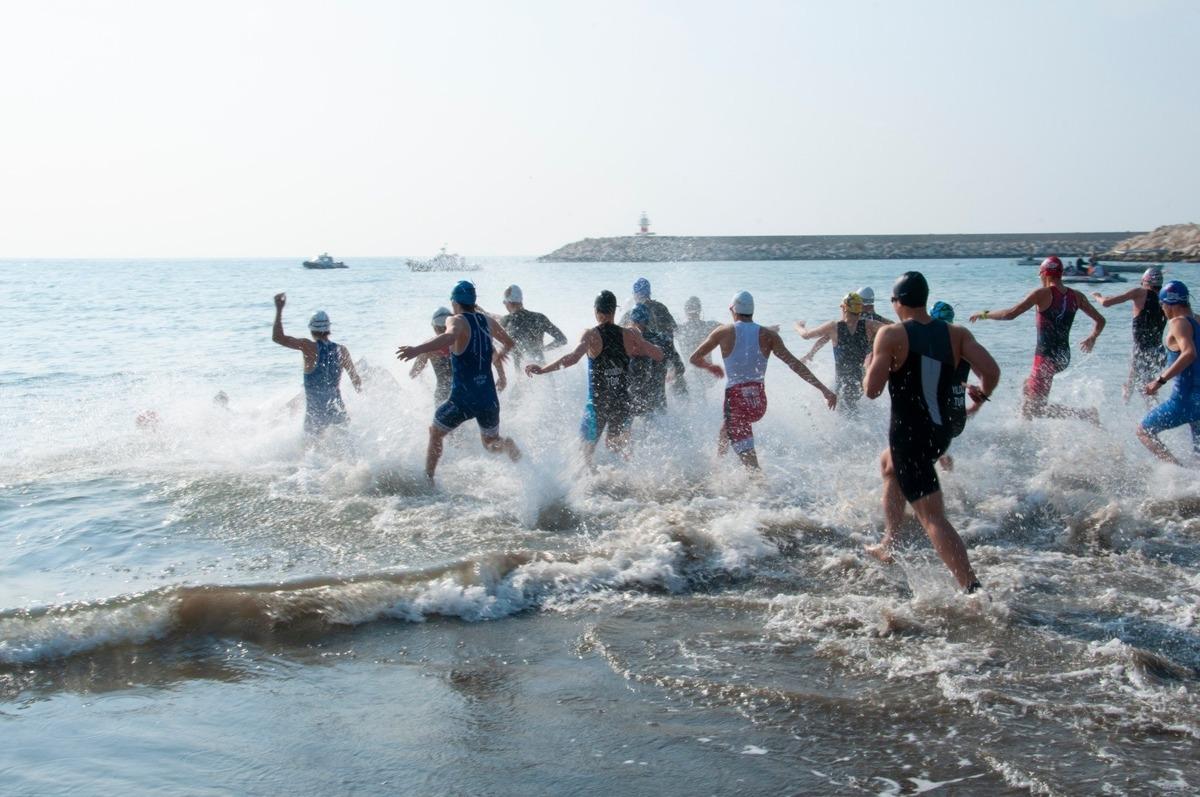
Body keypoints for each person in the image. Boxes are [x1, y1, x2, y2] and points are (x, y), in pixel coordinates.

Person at [863, 272, 1001, 593]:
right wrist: (982, 394)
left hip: (909, 436)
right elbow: (992, 371)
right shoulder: (957, 334)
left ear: (897, 302)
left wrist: (870, 364)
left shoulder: (891, 334)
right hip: (940, 433)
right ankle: (890, 541)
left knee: (933, 518)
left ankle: (972, 589)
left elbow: (871, 390)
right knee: (888, 465)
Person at [690, 291, 837, 469]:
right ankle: (718, 469)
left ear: (732, 310)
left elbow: (694, 358)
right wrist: (824, 389)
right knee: (725, 431)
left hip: (737, 400)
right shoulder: (769, 335)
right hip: (758, 401)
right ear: (752, 311)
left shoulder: (723, 332)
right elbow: (795, 365)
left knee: (751, 467)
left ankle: (762, 491)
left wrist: (710, 367)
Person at [395, 281, 520, 481]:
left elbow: (449, 337)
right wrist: (500, 356)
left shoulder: (457, 320)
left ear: (455, 301)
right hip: (489, 398)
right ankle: (511, 450)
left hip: (463, 399)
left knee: (435, 432)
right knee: (490, 443)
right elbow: (510, 342)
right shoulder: (487, 321)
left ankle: (428, 479)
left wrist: (416, 350)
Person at [525, 290, 662, 466]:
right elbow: (658, 355)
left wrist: (544, 369)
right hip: (621, 403)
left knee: (585, 452)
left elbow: (573, 358)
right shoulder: (630, 334)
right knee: (616, 449)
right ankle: (623, 485)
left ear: (596, 311)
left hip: (598, 404)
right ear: (614, 310)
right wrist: (640, 343)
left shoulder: (591, 334)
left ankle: (590, 488)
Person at [969, 255, 1105, 422]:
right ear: (1061, 273)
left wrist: (984, 314)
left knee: (1037, 409)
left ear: (1045, 274)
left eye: (1040, 275)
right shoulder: (1077, 296)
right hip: (1063, 357)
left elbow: (1010, 314)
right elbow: (1100, 320)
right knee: (1027, 387)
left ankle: (1086, 414)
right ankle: (1023, 429)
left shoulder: (1041, 294)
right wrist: (1092, 337)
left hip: (1046, 357)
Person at [272, 293, 363, 436]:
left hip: (316, 416)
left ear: (311, 329)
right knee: (346, 453)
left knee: (310, 455)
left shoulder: (307, 347)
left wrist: (279, 309)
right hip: (338, 411)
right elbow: (357, 382)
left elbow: (277, 338)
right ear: (328, 328)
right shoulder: (342, 350)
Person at [1137, 281, 1200, 464]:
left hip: (1184, 400)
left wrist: (1159, 380)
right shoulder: (1197, 320)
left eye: (1162, 304)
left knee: (1144, 431)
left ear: (1169, 303)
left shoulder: (1178, 322)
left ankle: (1179, 472)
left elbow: (1189, 353)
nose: (1162, 309)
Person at [795, 292, 886, 412]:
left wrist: (797, 326)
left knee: (834, 407)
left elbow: (806, 335)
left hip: (841, 383)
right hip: (860, 383)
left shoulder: (834, 326)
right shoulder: (870, 325)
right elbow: (894, 330)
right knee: (852, 408)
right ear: (859, 308)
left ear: (843, 308)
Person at [1092, 267, 1167, 404]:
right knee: (1139, 383)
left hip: (1142, 351)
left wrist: (1097, 296)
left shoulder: (1140, 292)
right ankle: (1135, 407)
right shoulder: (1166, 298)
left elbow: (1106, 303)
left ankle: (1154, 419)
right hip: (1159, 352)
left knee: (1144, 390)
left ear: (1144, 281)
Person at [621, 277, 688, 395]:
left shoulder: (631, 313)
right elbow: (675, 332)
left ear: (635, 294)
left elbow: (616, 333)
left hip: (640, 360)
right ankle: (684, 408)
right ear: (649, 293)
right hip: (664, 353)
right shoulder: (661, 308)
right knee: (670, 384)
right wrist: (674, 363)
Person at [499, 285, 568, 369]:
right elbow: (562, 339)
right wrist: (543, 349)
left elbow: (493, 335)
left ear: (508, 302)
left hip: (522, 376)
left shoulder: (506, 321)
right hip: (542, 371)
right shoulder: (539, 318)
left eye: (504, 302)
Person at [626, 304, 678, 417]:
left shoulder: (627, 340)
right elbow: (679, 365)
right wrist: (673, 371)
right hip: (657, 398)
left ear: (632, 321)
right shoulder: (662, 339)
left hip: (635, 397)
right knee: (661, 427)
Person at [407, 307, 454, 404]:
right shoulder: (461, 342)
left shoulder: (428, 348)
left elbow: (413, 373)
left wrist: (424, 382)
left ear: (435, 327)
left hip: (442, 394)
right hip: (463, 392)